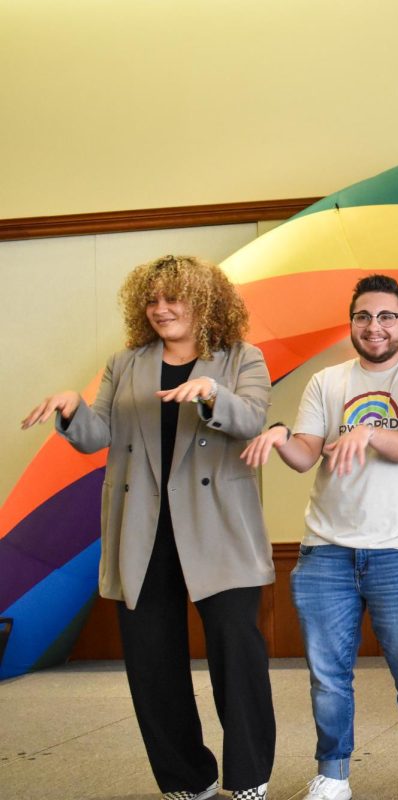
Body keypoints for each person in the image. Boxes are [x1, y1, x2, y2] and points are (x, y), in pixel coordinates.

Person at [22, 255, 275, 800]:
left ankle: (250, 776)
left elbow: (252, 418)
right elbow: (97, 435)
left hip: (219, 526)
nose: (160, 309)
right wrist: (72, 411)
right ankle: (187, 777)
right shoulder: (126, 362)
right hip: (143, 525)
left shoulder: (241, 358)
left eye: (173, 298)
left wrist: (210, 392)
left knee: (237, 650)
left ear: (204, 300)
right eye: (152, 300)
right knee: (152, 661)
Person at [240, 275, 398, 800]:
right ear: (352, 322)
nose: (374, 327)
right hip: (325, 552)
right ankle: (333, 775)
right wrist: (280, 435)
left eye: (386, 317)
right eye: (364, 317)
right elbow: (306, 454)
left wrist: (370, 431)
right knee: (327, 676)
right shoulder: (326, 381)